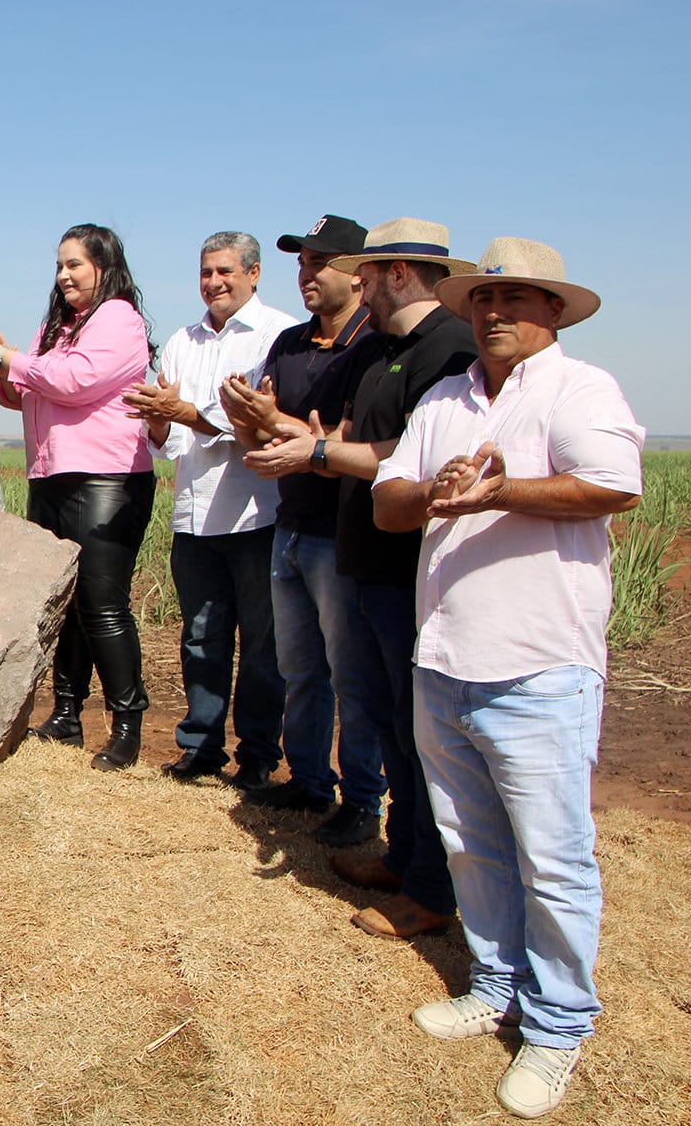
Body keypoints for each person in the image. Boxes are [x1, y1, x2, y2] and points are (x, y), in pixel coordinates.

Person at [374, 239, 641, 1119]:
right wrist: (435, 494)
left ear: (554, 312)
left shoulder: (580, 389)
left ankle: (559, 1026)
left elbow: (611, 483)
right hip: (445, 656)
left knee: (555, 860)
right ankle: (495, 984)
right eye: (485, 298)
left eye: (518, 299)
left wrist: (499, 492)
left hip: (539, 664)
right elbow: (387, 501)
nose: (495, 313)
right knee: (473, 842)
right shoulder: (446, 397)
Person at [259, 218, 477, 940]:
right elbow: (359, 439)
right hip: (368, 564)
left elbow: (412, 456)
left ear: (397, 274)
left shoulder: (451, 348)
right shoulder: (387, 349)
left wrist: (316, 451)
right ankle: (404, 858)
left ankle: (430, 889)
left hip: (408, 569)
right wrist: (309, 441)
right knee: (389, 723)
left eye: (368, 271)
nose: (359, 283)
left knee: (423, 736)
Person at [0, 223, 155, 768]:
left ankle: (126, 723)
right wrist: (3, 371)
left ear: (103, 267)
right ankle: (66, 714)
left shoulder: (119, 318)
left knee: (103, 603)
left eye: (76, 265)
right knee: (66, 600)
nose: (65, 275)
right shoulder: (58, 324)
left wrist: (7, 357)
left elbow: (75, 381)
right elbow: (36, 391)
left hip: (105, 478)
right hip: (51, 476)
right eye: (60, 266)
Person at [221, 215, 387, 847]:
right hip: (288, 526)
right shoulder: (289, 344)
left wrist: (275, 419)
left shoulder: (373, 347)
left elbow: (347, 441)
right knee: (299, 668)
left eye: (321, 262)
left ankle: (364, 797)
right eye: (301, 262)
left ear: (358, 271)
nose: (307, 274)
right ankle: (312, 780)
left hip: (342, 534)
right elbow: (260, 434)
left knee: (350, 673)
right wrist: (247, 418)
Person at [120, 231, 297, 789]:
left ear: (255, 273)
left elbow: (254, 427)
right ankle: (200, 747)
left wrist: (185, 410)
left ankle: (258, 755)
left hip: (254, 512)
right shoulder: (182, 341)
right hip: (194, 516)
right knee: (200, 637)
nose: (214, 283)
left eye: (225, 272)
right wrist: (156, 416)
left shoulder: (279, 336)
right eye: (205, 273)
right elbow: (171, 444)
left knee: (262, 644)